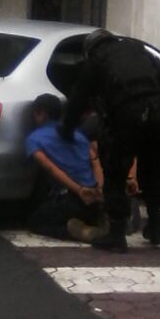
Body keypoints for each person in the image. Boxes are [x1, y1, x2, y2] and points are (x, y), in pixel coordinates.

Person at [61, 29, 160, 252]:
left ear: (91, 48)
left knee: (115, 173)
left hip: (128, 116)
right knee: (152, 171)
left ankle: (116, 234)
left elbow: (78, 99)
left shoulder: (96, 60)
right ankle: (155, 228)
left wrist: (66, 129)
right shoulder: (138, 50)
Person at [25, 93, 107, 242]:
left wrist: (79, 190)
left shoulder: (35, 138)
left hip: (72, 198)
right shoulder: (79, 135)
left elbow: (50, 167)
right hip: (94, 197)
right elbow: (95, 162)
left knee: (35, 222)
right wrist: (99, 188)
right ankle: (97, 221)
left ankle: (73, 231)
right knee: (87, 210)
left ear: (41, 114)